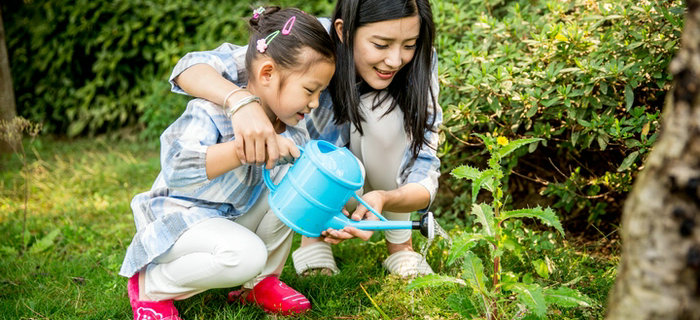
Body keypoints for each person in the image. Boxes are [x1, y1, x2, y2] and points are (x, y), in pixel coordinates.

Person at [170, 0, 442, 278]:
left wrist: (385, 198)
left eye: (409, 44)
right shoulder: (311, 43)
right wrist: (241, 103)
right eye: (381, 45)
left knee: (382, 115)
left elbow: (423, 166)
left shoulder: (420, 61)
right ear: (344, 31)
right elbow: (191, 68)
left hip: (360, 176)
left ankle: (400, 247)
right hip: (309, 172)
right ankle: (313, 239)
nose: (396, 60)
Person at [119, 7, 358, 319]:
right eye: (310, 90)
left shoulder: (294, 128)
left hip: (230, 218)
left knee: (290, 191)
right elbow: (176, 168)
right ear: (267, 73)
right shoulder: (210, 112)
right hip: (180, 222)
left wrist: (324, 214)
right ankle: (152, 287)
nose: (314, 103)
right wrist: (241, 151)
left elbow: (299, 190)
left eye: (320, 92)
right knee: (246, 255)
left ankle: (260, 283)